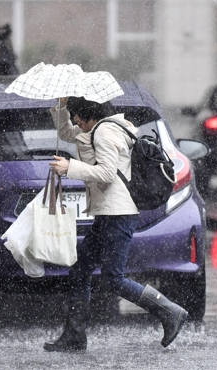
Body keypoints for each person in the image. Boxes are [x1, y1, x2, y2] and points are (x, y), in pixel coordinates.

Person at [44, 96, 188, 352]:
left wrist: (69, 168)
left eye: (78, 114)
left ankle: (170, 311)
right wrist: (61, 106)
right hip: (109, 212)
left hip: (118, 213)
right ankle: (74, 337)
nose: (75, 120)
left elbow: (107, 173)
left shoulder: (104, 133)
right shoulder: (105, 126)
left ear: (90, 113)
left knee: (113, 278)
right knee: (80, 271)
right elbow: (67, 132)